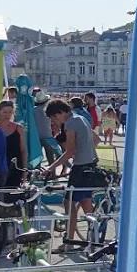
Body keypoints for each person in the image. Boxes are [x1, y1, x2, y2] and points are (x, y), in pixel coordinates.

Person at [45, 98, 102, 242]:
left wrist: (50, 168)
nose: (55, 122)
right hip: (90, 165)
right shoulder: (81, 118)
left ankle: (69, 240)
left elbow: (69, 151)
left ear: (58, 113)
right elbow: (96, 139)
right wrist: (85, 151)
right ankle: (94, 237)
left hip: (80, 168)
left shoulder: (70, 123)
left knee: (69, 204)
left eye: (53, 118)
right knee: (85, 202)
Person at [0, 99, 27, 186]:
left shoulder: (19, 128)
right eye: (4, 112)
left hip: (15, 166)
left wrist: (25, 170)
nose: (7, 115)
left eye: (10, 112)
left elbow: (23, 150)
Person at [33, 93, 62, 163]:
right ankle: (53, 172)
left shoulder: (32, 110)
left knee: (37, 158)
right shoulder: (49, 110)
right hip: (48, 135)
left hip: (36, 137)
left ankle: (38, 171)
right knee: (51, 157)